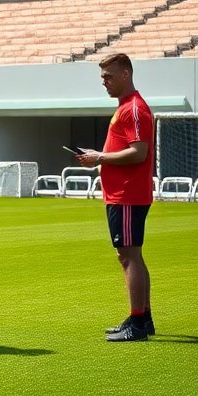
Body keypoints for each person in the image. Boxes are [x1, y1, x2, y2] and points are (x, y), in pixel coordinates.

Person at [75, 53, 156, 342]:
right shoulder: (126, 107)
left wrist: (100, 157)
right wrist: (99, 160)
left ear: (125, 74)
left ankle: (138, 323)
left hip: (127, 195)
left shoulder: (133, 108)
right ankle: (142, 318)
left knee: (128, 257)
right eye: (102, 77)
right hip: (124, 194)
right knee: (133, 255)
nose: (104, 82)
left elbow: (139, 152)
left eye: (108, 77)